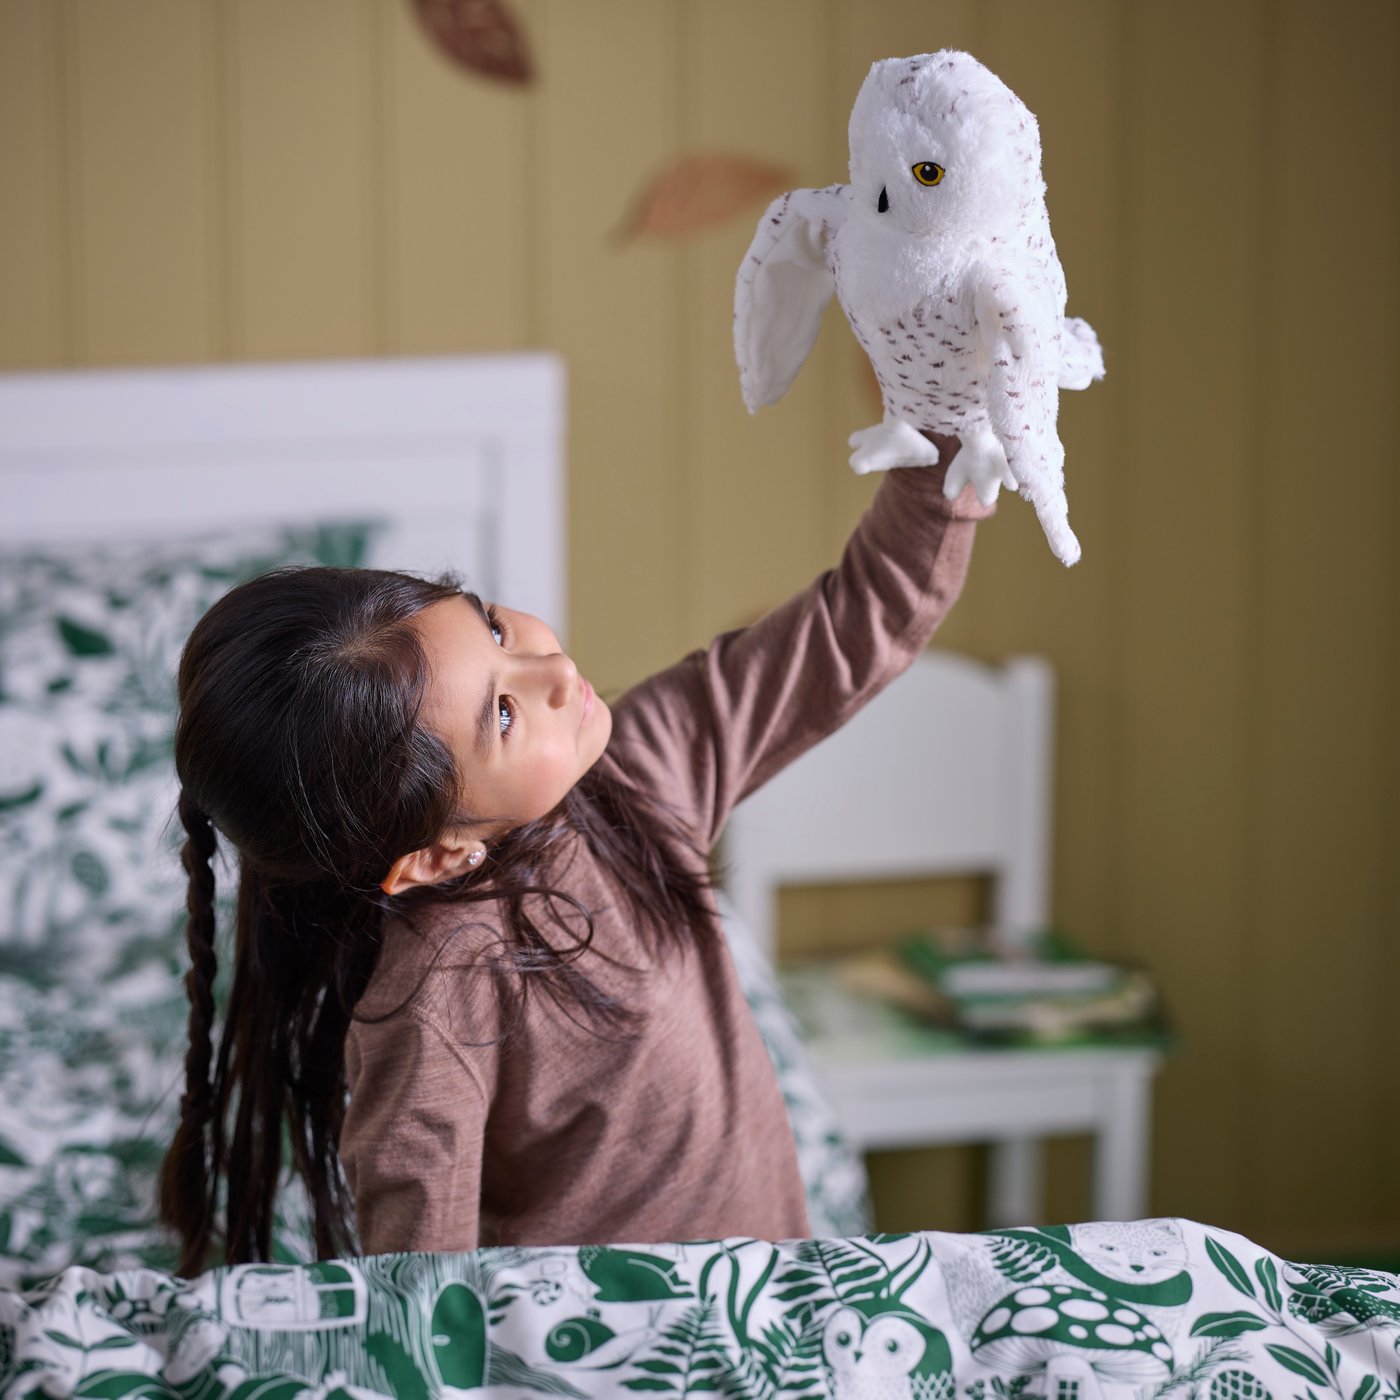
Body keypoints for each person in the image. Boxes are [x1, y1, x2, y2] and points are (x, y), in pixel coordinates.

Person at [159, 434, 995, 1275]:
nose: (554, 668)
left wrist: (944, 434)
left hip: (779, 1310)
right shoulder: (437, 994)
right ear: (434, 857)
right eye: (505, 716)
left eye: (492, 625)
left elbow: (862, 622)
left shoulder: (642, 769)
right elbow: (415, 1290)